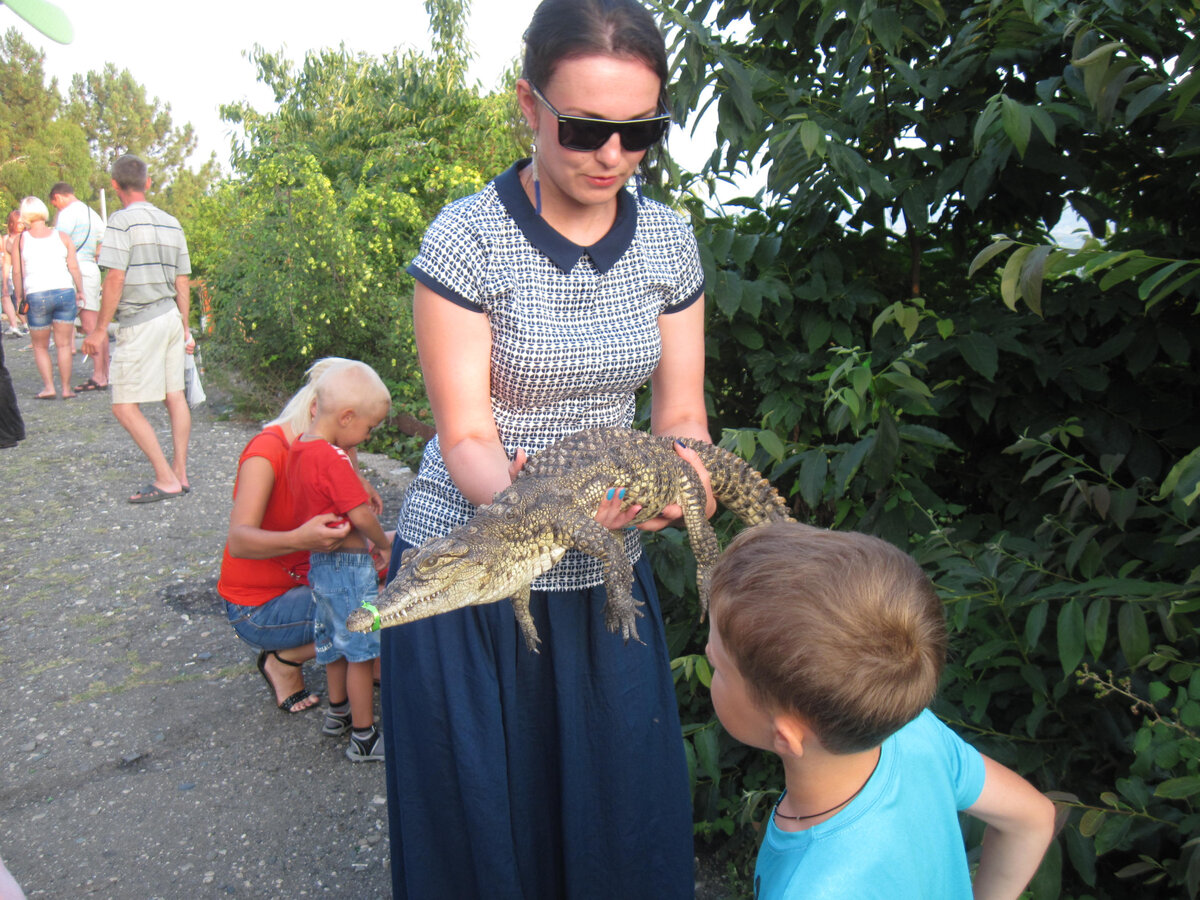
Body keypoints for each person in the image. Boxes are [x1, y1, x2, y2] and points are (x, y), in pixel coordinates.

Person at [379, 0, 711, 895]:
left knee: (616, 813)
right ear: (529, 106)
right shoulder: (468, 239)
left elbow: (682, 417)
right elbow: (466, 436)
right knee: (481, 825)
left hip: (606, 562)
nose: (612, 155)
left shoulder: (670, 242)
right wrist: (540, 510)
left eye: (639, 130)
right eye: (585, 127)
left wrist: (685, 486)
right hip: (479, 563)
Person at [705, 521, 1057, 899]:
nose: (706, 659)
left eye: (716, 666)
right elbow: (1033, 819)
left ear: (785, 736)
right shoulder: (914, 733)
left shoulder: (810, 889)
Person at [218, 357, 383, 714]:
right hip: (260, 607)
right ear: (318, 409)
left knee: (408, 561)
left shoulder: (335, 447)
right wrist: (301, 538)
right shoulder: (268, 452)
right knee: (377, 602)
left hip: (315, 573)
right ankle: (285, 659)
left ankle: (369, 657)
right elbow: (239, 541)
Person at [287, 361, 392, 761]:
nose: (367, 435)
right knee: (362, 652)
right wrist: (382, 543)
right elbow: (360, 515)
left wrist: (357, 477)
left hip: (321, 566)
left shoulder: (302, 446)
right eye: (368, 428)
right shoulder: (333, 459)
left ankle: (339, 714)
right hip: (350, 567)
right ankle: (364, 737)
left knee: (331, 644)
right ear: (346, 417)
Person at [82, 154, 193, 504]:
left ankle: (165, 478)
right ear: (147, 183)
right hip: (171, 317)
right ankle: (181, 472)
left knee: (124, 404)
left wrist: (100, 330)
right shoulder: (171, 222)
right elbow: (183, 281)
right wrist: (186, 329)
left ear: (115, 185)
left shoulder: (120, 222)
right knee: (174, 395)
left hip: (141, 320)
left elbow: (115, 277)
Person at [10, 196, 85, 400]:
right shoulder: (62, 237)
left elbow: (17, 272)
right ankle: (67, 388)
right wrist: (80, 289)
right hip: (64, 291)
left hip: (36, 293)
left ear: (24, 215)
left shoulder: (20, 240)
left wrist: (18, 296)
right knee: (63, 344)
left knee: (40, 346)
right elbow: (74, 266)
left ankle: (49, 387)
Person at [50, 182, 108, 391]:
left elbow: (59, 242)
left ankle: (98, 376)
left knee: (90, 326)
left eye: (55, 204)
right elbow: (103, 243)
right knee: (97, 325)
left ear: (59, 197)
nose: (57, 208)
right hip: (91, 268)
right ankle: (104, 372)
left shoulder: (67, 214)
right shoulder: (92, 213)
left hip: (77, 270)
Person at [2, 211, 29, 336]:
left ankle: (28, 325)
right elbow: (6, 262)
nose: (21, 225)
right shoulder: (7, 239)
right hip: (14, 272)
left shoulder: (27, 237)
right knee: (16, 302)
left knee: (25, 300)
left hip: (27, 272)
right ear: (12, 223)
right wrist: (5, 281)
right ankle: (23, 325)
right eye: (18, 223)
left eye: (22, 223)